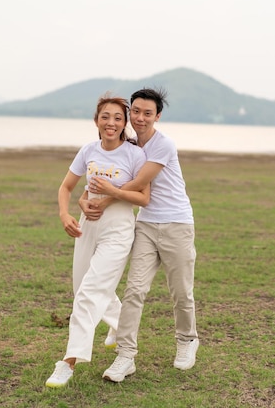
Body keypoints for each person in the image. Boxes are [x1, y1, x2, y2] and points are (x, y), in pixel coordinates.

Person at [81, 88, 199, 383]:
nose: (140, 118)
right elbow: (110, 174)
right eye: (136, 112)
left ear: (157, 116)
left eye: (148, 113)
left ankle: (187, 340)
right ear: (130, 113)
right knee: (134, 291)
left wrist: (104, 200)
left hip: (176, 224)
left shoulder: (163, 145)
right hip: (145, 225)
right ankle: (125, 355)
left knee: (181, 292)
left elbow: (136, 183)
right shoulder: (130, 144)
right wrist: (86, 199)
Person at [45, 94, 150, 388]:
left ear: (124, 123)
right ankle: (119, 326)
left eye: (118, 118)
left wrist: (108, 193)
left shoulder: (135, 155)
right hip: (87, 226)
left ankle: (68, 361)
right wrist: (66, 214)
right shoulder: (88, 150)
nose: (111, 123)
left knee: (89, 292)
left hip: (118, 230)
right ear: (96, 120)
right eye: (105, 116)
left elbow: (143, 197)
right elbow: (67, 187)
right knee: (83, 287)